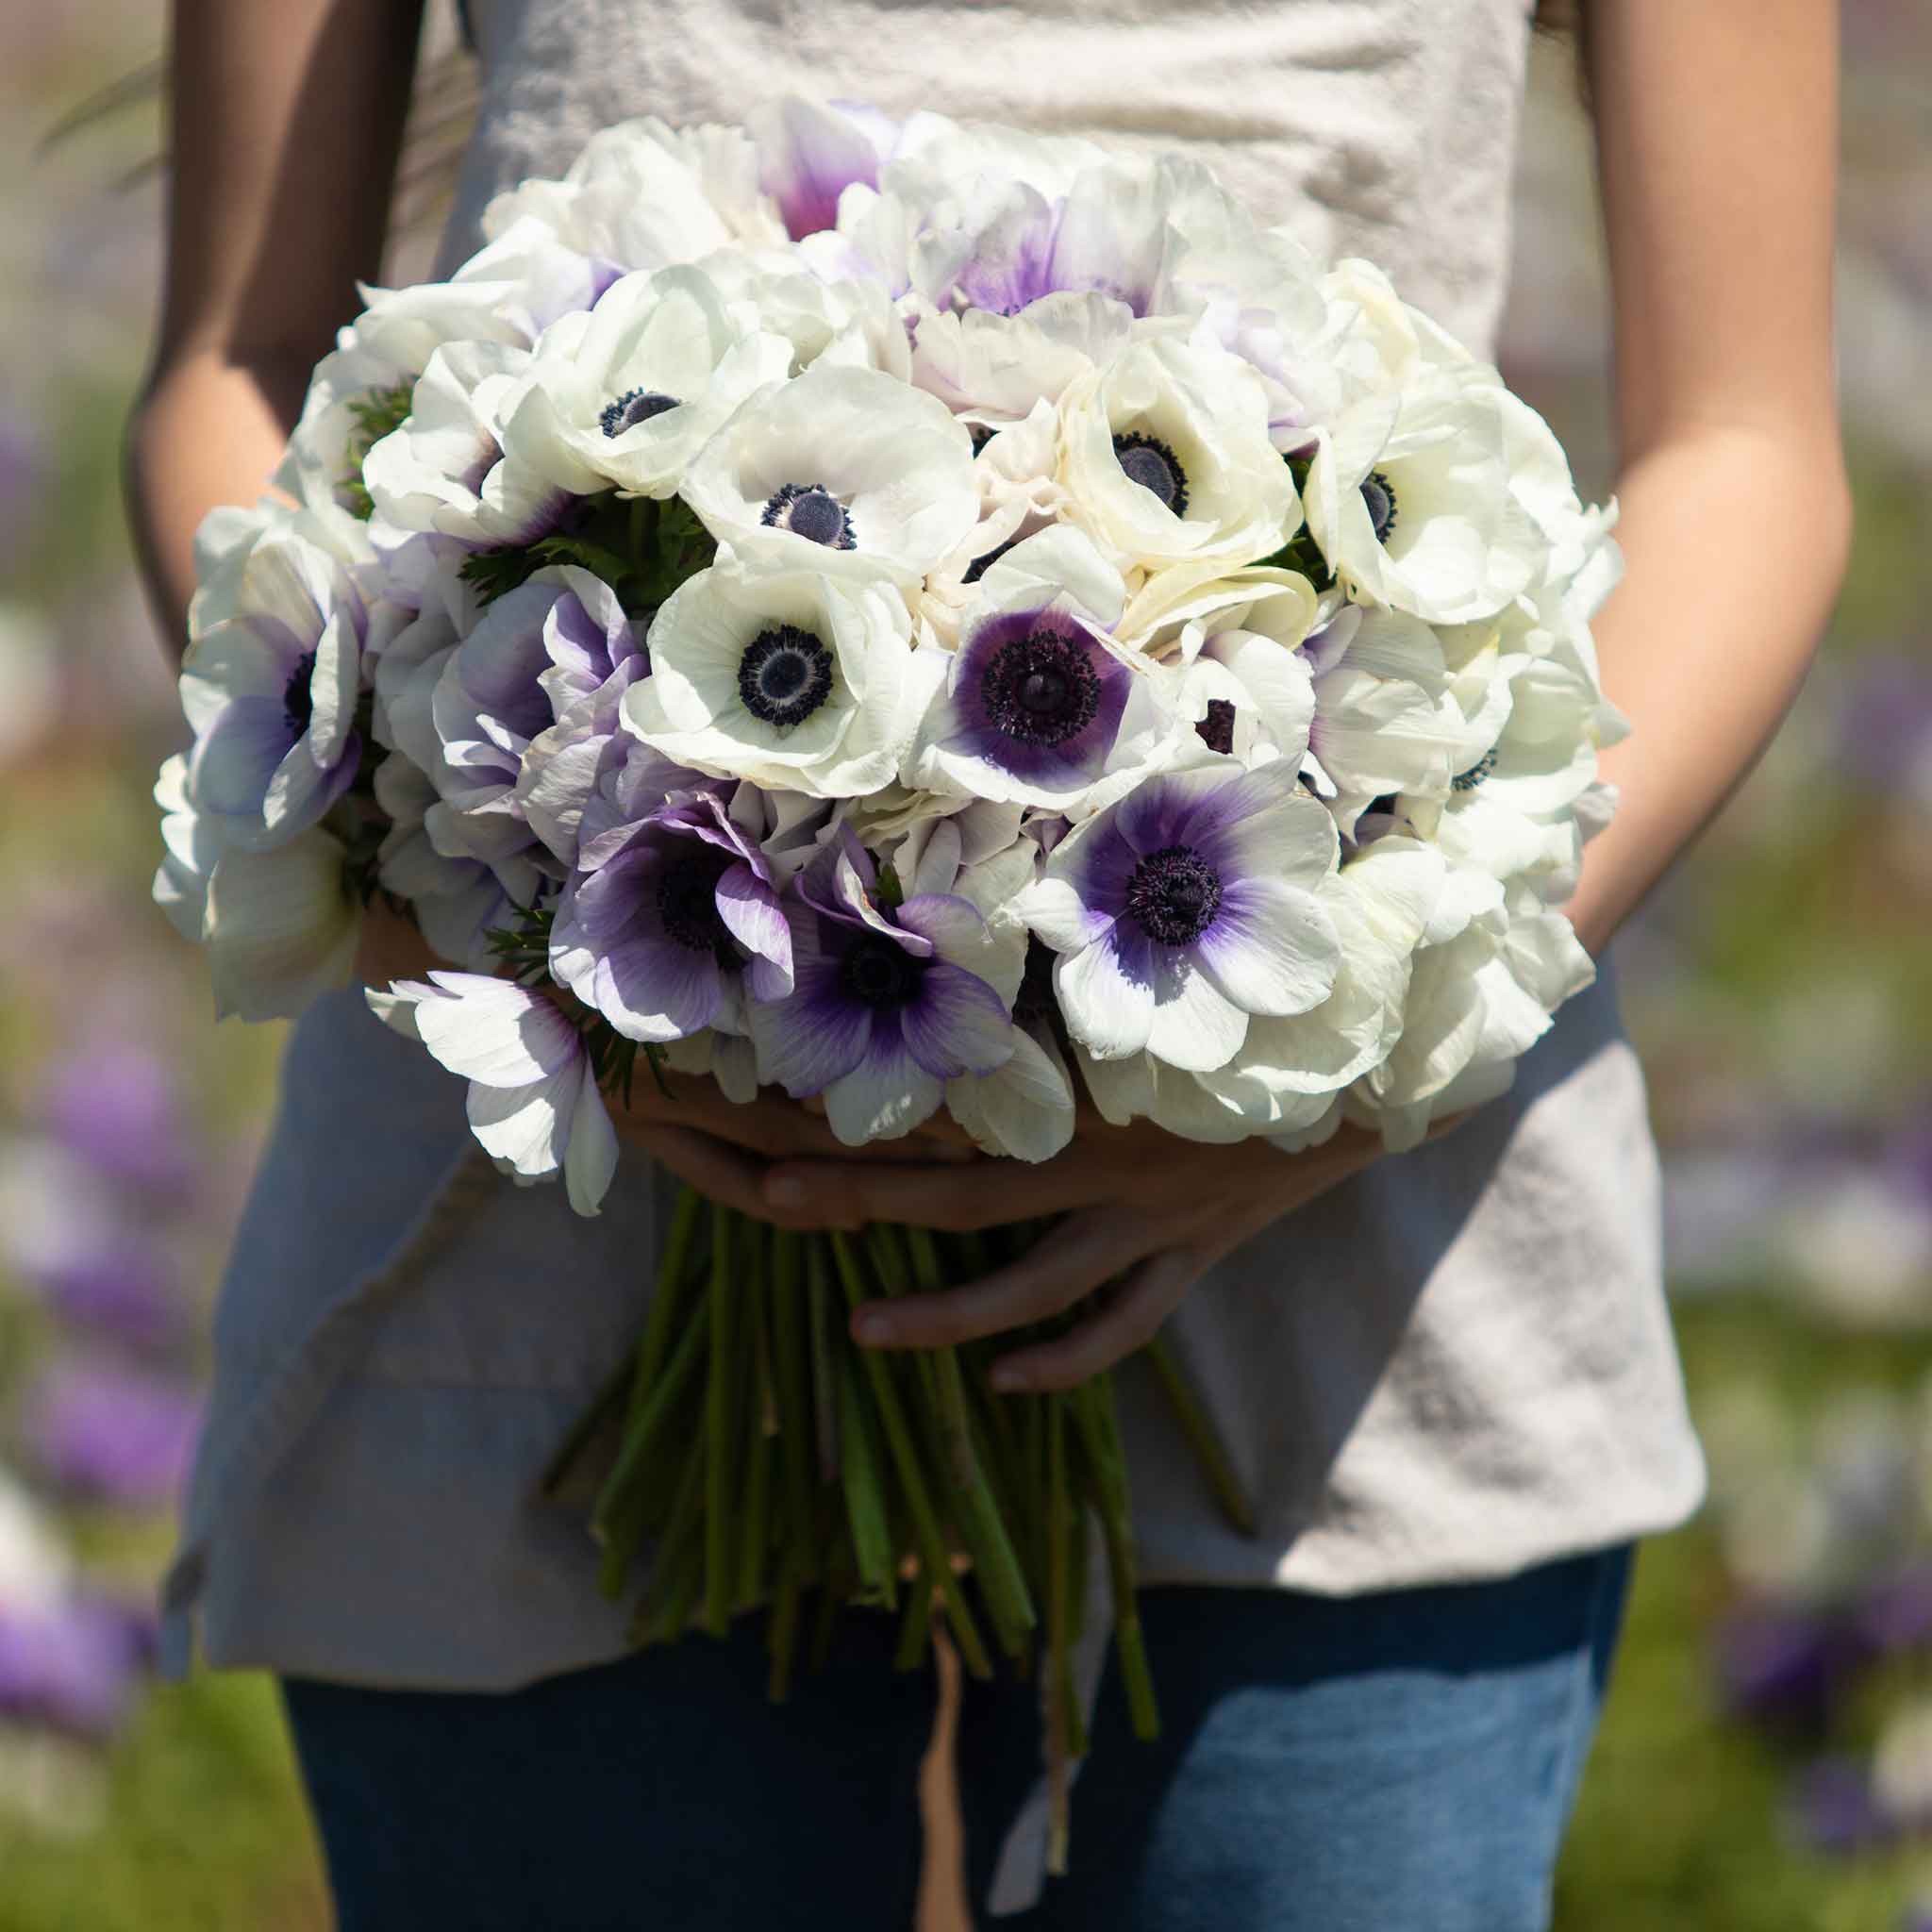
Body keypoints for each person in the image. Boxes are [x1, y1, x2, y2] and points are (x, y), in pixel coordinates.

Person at [124, 1, 1848, 1925]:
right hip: (542, 1192)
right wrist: (535, 905)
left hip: (1342, 1225)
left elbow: (1748, 447)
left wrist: (1351, 1055)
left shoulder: (1336, 1100)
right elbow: (236, 370)